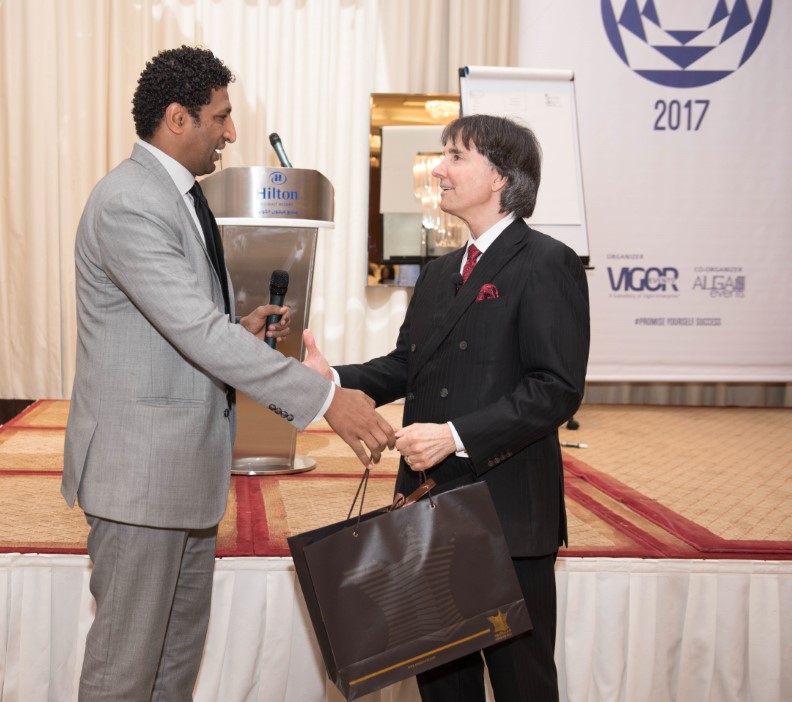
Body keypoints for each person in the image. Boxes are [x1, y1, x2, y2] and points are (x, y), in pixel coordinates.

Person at [61, 46, 394, 702]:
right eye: (220, 117)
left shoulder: (178, 195)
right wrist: (326, 398)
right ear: (177, 119)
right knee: (125, 675)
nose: (232, 132)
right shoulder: (129, 201)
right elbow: (194, 331)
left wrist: (236, 331)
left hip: (182, 476)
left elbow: (179, 326)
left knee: (173, 670)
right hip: (140, 480)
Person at [304, 114, 590, 701]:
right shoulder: (438, 273)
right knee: (443, 686)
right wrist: (332, 378)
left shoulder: (547, 262)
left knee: (523, 685)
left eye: (456, 156)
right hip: (428, 506)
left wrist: (455, 435)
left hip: (507, 511)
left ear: (501, 177)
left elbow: (555, 388)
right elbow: (407, 365)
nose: (438, 169)